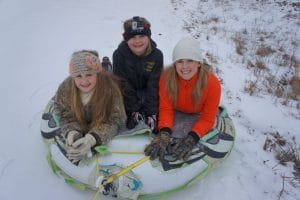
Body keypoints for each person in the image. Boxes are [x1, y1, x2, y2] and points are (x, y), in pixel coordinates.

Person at [144, 37, 221, 161]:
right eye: (180, 61)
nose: (184, 66)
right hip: (176, 112)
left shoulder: (212, 84)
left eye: (190, 60)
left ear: (199, 63)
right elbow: (166, 108)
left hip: (198, 113)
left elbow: (207, 118)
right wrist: (164, 132)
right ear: (175, 64)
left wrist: (193, 138)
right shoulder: (166, 78)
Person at [53, 50, 126, 163]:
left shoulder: (111, 89)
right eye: (78, 76)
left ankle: (106, 66)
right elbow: (64, 114)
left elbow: (115, 119)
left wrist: (92, 138)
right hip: (82, 121)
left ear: (96, 73)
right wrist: (72, 131)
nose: (84, 81)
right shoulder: (65, 89)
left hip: (100, 118)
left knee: (109, 72)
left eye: (89, 74)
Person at [112, 16, 163, 132]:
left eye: (142, 36)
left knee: (157, 98)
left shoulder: (157, 55)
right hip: (127, 91)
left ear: (148, 37)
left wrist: (152, 112)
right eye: (133, 37)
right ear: (126, 39)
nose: (138, 41)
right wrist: (134, 109)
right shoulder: (119, 55)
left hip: (146, 90)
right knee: (114, 94)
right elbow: (122, 83)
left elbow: (154, 84)